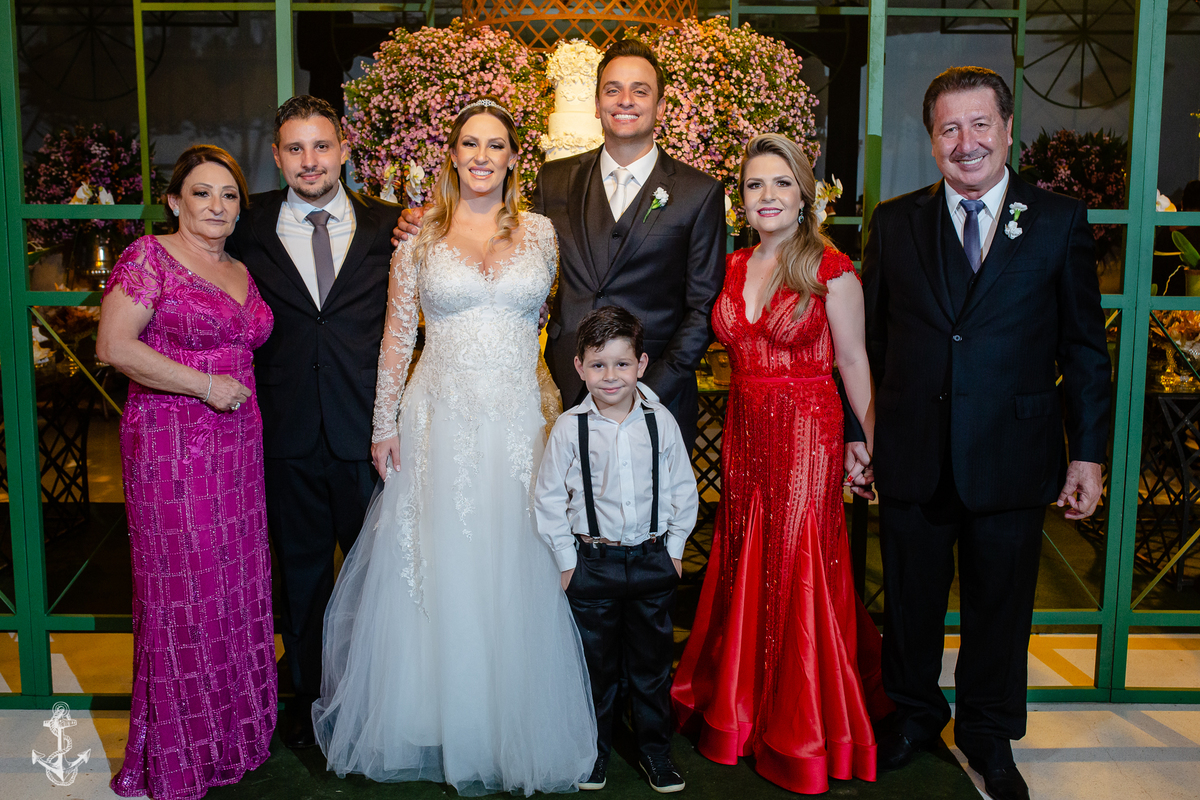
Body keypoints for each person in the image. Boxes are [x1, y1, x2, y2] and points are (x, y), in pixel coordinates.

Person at [310, 98, 596, 795]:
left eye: (495, 145)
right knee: (439, 563)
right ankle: (438, 716)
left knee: (513, 561)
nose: (481, 156)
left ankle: (507, 718)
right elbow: (395, 338)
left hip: (517, 421)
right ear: (453, 155)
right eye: (470, 143)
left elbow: (555, 325)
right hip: (437, 420)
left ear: (513, 159)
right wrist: (382, 426)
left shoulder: (541, 234)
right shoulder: (420, 237)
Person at [857, 67, 1111, 800]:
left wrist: (1088, 453)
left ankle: (988, 734)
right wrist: (858, 435)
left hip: (1014, 451)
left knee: (1001, 606)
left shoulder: (1058, 219)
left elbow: (1084, 349)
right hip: (913, 448)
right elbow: (869, 345)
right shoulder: (896, 223)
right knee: (909, 601)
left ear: (1006, 130)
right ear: (931, 140)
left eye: (979, 125)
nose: (965, 143)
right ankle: (913, 716)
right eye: (949, 129)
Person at [669, 134, 892, 794]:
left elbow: (853, 361)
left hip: (807, 431)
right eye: (754, 185)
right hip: (744, 429)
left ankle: (801, 723)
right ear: (741, 199)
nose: (766, 196)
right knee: (745, 552)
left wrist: (871, 443)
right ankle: (741, 706)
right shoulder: (733, 265)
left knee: (797, 560)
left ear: (804, 195)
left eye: (781, 183)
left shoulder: (831, 269)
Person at [400, 38, 726, 450]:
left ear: (660, 106)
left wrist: (649, 387)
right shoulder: (554, 179)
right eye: (612, 89)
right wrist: (430, 221)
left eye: (640, 91)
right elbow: (502, 241)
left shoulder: (699, 193)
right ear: (597, 104)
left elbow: (703, 308)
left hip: (656, 396)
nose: (625, 100)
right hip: (564, 389)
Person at [97, 145, 276, 799]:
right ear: (175, 201)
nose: (217, 206)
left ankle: (233, 737)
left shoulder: (238, 268)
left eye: (228, 195)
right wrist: (203, 385)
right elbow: (114, 346)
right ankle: (179, 753)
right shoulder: (150, 257)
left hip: (238, 449)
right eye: (202, 192)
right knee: (184, 595)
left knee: (233, 589)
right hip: (171, 448)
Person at [225, 95, 399, 749]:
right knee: (300, 577)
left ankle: (371, 699)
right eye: (295, 149)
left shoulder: (391, 226)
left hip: (368, 433)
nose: (310, 160)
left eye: (321, 146)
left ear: (344, 150)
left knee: (375, 577)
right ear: (276, 157)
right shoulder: (247, 226)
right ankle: (307, 699)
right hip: (285, 429)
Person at [535, 305, 700, 794]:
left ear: (641, 365)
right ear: (580, 367)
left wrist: (674, 550)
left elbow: (683, 489)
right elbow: (548, 499)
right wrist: (568, 563)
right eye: (598, 364)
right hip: (594, 566)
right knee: (596, 669)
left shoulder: (660, 421)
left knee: (651, 669)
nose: (610, 376)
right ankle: (594, 753)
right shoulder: (570, 428)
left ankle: (655, 752)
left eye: (622, 363)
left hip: (652, 561)